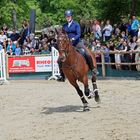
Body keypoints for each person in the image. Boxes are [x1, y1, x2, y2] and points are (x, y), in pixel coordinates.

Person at [57, 9, 96, 81]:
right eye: (66, 16)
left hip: (77, 43)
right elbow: (62, 35)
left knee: (86, 53)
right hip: (68, 45)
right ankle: (62, 75)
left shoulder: (76, 24)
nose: (67, 17)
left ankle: (93, 69)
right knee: (59, 59)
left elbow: (79, 34)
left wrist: (73, 39)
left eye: (69, 16)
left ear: (71, 16)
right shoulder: (64, 26)